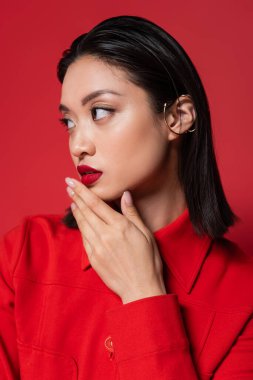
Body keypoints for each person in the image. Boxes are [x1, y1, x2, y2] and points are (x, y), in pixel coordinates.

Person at [0, 15, 252, 380]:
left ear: (178, 117)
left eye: (100, 112)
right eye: (69, 122)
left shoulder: (243, 297)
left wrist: (143, 293)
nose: (78, 145)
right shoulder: (25, 255)